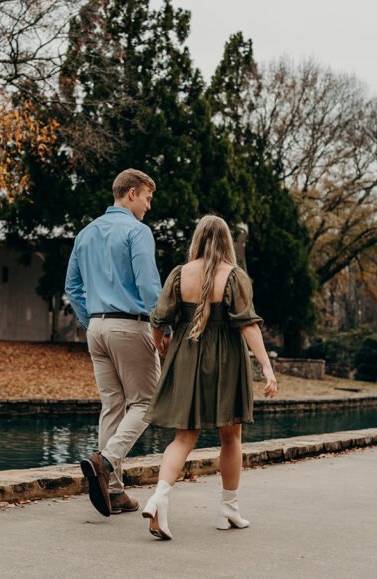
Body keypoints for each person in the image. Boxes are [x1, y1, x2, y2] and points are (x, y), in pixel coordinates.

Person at [140, 215, 278, 540]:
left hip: (186, 356)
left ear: (197, 239)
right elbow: (248, 325)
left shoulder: (180, 274)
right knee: (231, 438)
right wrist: (267, 368)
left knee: (184, 438)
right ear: (227, 241)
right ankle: (228, 508)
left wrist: (161, 343)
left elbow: (158, 318)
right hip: (227, 360)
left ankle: (160, 496)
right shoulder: (235, 277)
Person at [65, 169, 166, 518]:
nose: (149, 207)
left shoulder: (86, 233)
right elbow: (150, 287)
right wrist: (162, 331)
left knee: (112, 406)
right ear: (132, 193)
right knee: (146, 403)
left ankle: (114, 490)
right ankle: (105, 462)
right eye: (148, 199)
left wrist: (89, 320)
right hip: (130, 326)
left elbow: (72, 287)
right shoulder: (137, 232)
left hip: (96, 328)